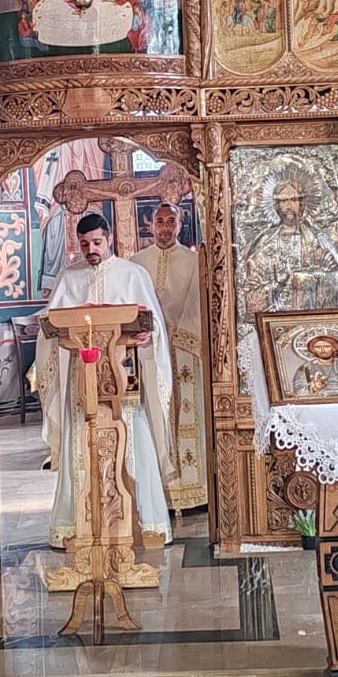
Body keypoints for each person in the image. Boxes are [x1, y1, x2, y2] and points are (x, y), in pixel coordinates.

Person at [34, 213, 177, 548]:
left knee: (134, 442)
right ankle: (75, 526)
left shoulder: (132, 275)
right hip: (81, 386)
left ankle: (145, 522)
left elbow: (152, 323)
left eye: (97, 242)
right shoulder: (69, 278)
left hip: (122, 382)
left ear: (109, 238)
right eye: (84, 244)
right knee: (79, 445)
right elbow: (50, 329)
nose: (91, 250)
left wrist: (148, 335)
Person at [130, 203, 207, 512]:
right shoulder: (136, 264)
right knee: (154, 413)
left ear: (180, 224)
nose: (164, 227)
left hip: (186, 351)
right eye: (159, 221)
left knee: (188, 414)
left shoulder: (194, 262)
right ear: (150, 225)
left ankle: (194, 492)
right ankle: (159, 492)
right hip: (148, 351)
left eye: (170, 221)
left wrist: (175, 333)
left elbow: (198, 305)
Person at [244, 179, 338, 314]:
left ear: (301, 204)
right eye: (284, 201)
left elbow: (337, 278)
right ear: (276, 205)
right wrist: (277, 285)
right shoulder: (265, 243)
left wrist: (308, 279)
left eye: (294, 199)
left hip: (311, 318)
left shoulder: (317, 240)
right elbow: (251, 298)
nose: (289, 205)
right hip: (274, 319)